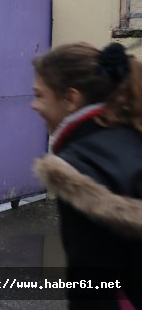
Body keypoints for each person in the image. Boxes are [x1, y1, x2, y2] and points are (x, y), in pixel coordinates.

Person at [32, 42, 142, 308]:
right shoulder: (131, 135)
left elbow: (93, 291)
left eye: (39, 95)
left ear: (71, 98)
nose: (34, 105)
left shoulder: (75, 171)